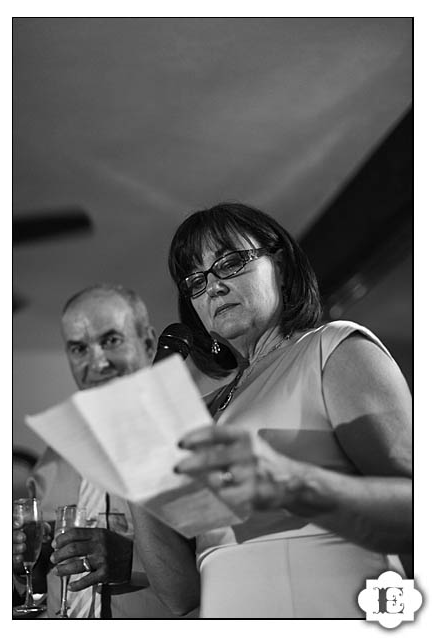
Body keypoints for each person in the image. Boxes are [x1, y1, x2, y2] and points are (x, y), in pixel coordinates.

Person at [130, 202, 412, 619]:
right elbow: (180, 597)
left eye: (230, 263)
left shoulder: (333, 350)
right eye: (196, 279)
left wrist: (293, 483)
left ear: (279, 264)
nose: (213, 287)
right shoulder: (201, 414)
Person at [12, 284, 187, 618]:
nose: (98, 362)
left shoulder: (195, 440)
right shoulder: (54, 457)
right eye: (79, 348)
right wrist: (20, 566)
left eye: (111, 340)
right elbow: (38, 579)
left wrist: (132, 560)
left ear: (149, 342)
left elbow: (231, 563)